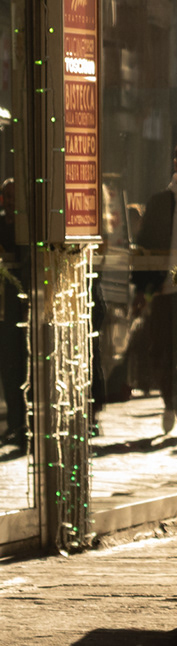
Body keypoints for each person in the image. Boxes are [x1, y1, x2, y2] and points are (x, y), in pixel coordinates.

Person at [132, 138, 177, 439]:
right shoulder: (161, 201)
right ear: (175, 166)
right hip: (164, 286)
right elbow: (145, 246)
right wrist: (143, 290)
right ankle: (170, 403)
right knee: (161, 350)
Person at [0, 179, 25, 452]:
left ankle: (24, 424)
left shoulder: (26, 227)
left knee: (21, 363)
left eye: (14, 196)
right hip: (4, 304)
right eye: (6, 195)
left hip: (21, 302)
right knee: (8, 365)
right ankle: (14, 423)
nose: (10, 201)